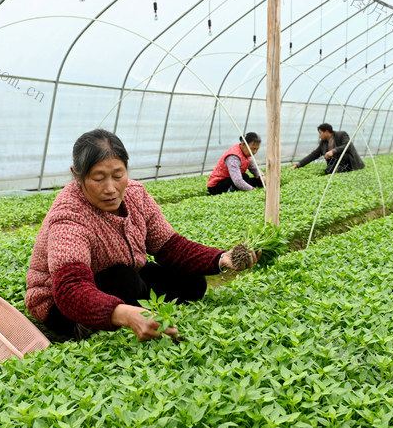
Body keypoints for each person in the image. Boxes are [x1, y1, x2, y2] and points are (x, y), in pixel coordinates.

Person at [26, 129, 260, 342]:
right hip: (62, 305)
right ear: (77, 176)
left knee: (193, 281)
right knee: (125, 281)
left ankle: (136, 307)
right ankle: (115, 317)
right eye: (98, 178)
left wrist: (221, 259)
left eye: (118, 175)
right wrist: (124, 314)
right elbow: (70, 288)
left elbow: (171, 246)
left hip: (125, 273)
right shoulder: (70, 215)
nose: (110, 188)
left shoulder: (136, 195)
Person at [291, 123, 364, 174]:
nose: (319, 136)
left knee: (342, 159)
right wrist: (298, 165)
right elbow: (313, 155)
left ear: (326, 132)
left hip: (349, 163)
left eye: (320, 133)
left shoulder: (341, 134)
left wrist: (333, 151)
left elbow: (347, 146)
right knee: (328, 171)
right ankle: (336, 171)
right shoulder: (323, 143)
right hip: (336, 163)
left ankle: (342, 171)